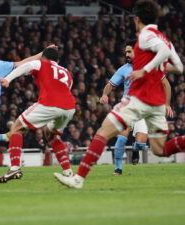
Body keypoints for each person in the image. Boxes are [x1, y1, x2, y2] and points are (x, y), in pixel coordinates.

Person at [54, 0, 184, 189]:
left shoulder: (146, 35)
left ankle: (78, 179)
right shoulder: (164, 39)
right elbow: (179, 67)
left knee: (103, 132)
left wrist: (144, 70)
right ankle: (110, 169)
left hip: (139, 98)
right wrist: (157, 67)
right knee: (160, 149)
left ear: (137, 19)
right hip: (155, 103)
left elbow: (161, 54)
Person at [0, 47, 75, 183]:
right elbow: (66, 89)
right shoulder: (67, 72)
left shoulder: (41, 63)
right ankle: (68, 172)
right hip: (69, 107)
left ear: (43, 57)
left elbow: (26, 66)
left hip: (49, 103)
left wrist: (7, 79)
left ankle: (14, 168)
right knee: (50, 134)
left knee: (17, 127)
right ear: (58, 60)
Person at [100, 40, 173, 175]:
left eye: (129, 51)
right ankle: (118, 168)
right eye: (126, 51)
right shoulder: (123, 69)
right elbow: (110, 84)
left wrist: (167, 104)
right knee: (122, 137)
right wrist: (105, 94)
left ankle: (135, 149)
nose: (127, 54)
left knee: (141, 144)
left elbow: (166, 85)